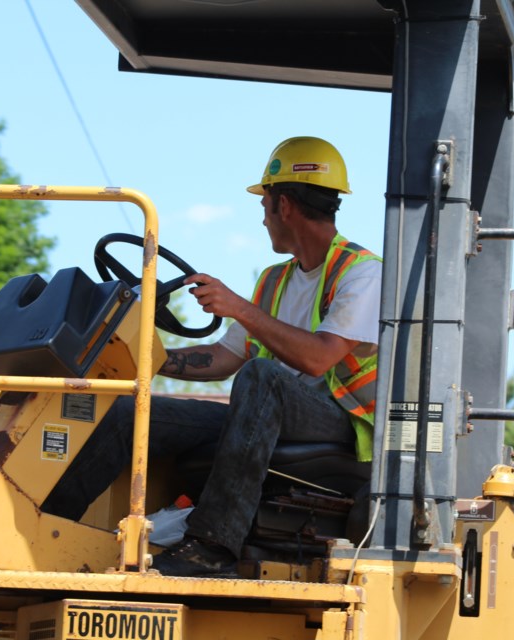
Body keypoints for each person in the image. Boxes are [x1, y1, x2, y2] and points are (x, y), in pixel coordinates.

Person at [43, 136, 382, 577]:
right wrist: (143, 359)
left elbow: (319, 360)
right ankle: (48, 529)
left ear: (282, 205)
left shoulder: (362, 272)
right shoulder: (274, 280)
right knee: (131, 413)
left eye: (263, 206)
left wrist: (240, 307)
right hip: (267, 412)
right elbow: (223, 357)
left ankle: (213, 544)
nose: (262, 220)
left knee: (262, 377)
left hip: (341, 425)